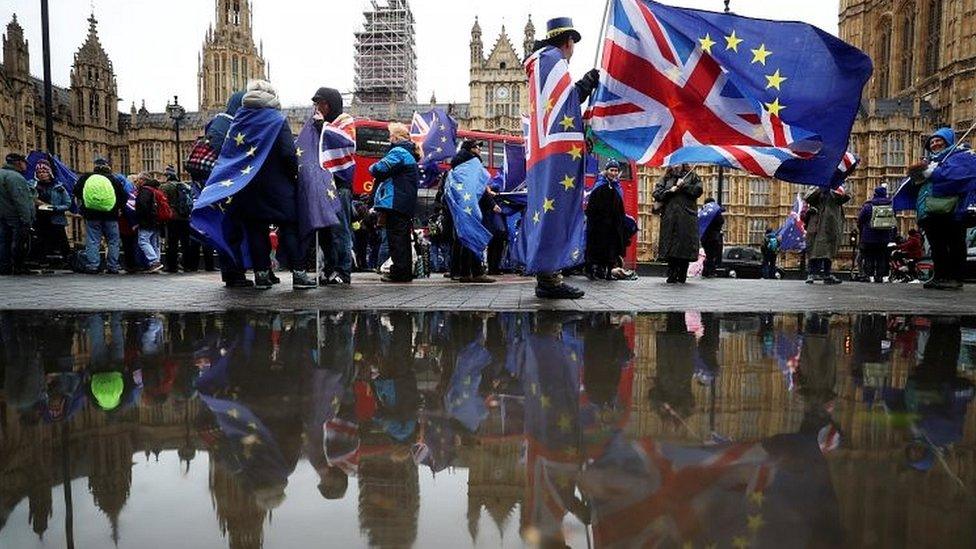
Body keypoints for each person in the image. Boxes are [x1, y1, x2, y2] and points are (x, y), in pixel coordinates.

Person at [529, 17, 600, 299]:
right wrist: (584, 85)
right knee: (556, 210)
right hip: (557, 155)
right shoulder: (553, 60)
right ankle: (548, 280)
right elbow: (564, 107)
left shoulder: (543, 61)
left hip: (549, 153)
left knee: (552, 209)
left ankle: (549, 276)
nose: (573, 50)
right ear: (568, 42)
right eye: (573, 44)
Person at [231, 80, 317, 290]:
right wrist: (293, 176)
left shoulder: (238, 121)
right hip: (279, 186)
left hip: (248, 185)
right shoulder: (276, 120)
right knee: (289, 228)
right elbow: (288, 153)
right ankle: (299, 275)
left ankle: (261, 276)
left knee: (256, 230)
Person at [909, 128, 969, 290]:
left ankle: (954, 277)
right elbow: (917, 183)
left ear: (948, 141)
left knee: (954, 242)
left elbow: (958, 175)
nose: (935, 144)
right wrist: (918, 174)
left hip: (949, 208)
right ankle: (940, 276)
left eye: (939, 140)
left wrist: (934, 173)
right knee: (936, 244)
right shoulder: (929, 160)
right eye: (932, 141)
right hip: (928, 208)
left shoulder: (958, 156)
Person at [309, 87, 356, 286]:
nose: (319, 107)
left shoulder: (345, 121)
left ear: (331, 104)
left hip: (340, 185)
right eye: (317, 103)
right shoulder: (320, 124)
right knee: (326, 232)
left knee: (340, 231)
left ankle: (343, 272)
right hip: (323, 185)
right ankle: (328, 270)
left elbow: (346, 142)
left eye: (322, 103)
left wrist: (323, 128)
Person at [203, 90, 249, 287]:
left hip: (217, 185)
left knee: (227, 229)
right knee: (233, 230)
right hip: (230, 184)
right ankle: (234, 274)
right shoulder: (231, 125)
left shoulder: (216, 122)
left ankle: (231, 273)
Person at [369, 122, 420, 283]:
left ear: (396, 137)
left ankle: (399, 272)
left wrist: (372, 166)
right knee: (402, 238)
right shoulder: (408, 152)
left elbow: (378, 169)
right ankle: (403, 271)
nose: (389, 139)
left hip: (396, 201)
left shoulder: (399, 151)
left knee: (396, 239)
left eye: (390, 136)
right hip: (403, 201)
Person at [445, 139, 497, 283]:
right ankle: (475, 272)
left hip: (458, 206)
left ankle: (462, 272)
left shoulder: (457, 164)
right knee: (472, 234)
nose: (480, 149)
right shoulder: (473, 164)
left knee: (461, 237)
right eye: (477, 147)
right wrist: (491, 203)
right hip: (470, 205)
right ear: (470, 149)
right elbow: (477, 187)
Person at [73, 157, 128, 274]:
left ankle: (93, 265)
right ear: (107, 167)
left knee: (93, 240)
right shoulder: (113, 179)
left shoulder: (86, 177)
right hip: (111, 215)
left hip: (91, 214)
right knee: (113, 241)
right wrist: (117, 207)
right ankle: (112, 266)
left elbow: (76, 191)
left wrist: (86, 202)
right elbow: (124, 196)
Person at [653, 163, 703, 283]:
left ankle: (682, 274)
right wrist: (670, 191)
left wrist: (683, 185)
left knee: (684, 247)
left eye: (678, 163)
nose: (676, 166)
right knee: (670, 246)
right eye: (674, 163)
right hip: (670, 217)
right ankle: (671, 273)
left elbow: (698, 191)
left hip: (687, 218)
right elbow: (656, 193)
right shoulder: (665, 178)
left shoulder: (693, 177)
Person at [585, 159, 632, 280]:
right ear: (606, 171)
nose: (614, 173)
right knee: (597, 247)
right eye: (612, 170)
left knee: (611, 249)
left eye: (616, 170)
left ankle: (607, 272)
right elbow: (592, 206)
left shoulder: (617, 187)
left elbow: (620, 206)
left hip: (613, 225)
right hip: (599, 225)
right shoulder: (599, 185)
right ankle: (592, 270)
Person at [803, 185, 850, 284]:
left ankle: (826, 274)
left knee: (828, 251)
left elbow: (846, 196)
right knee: (814, 250)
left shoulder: (837, 188)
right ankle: (812, 273)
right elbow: (808, 197)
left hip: (831, 224)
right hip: (817, 224)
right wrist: (821, 188)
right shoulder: (816, 187)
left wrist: (831, 189)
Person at [30, 159, 72, 269]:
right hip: (39, 218)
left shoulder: (59, 187)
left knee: (62, 240)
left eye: (44, 172)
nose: (41, 174)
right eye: (39, 172)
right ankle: (42, 261)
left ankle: (67, 261)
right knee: (40, 240)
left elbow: (67, 204)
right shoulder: (32, 186)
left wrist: (54, 208)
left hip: (55, 218)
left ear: (49, 173)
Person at [0, 153, 36, 275]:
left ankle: (5, 267)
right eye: (25, 163)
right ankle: (18, 267)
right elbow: (21, 201)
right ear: (19, 163)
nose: (26, 166)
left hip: (2, 216)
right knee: (19, 243)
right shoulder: (15, 177)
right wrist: (27, 220)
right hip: (15, 217)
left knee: (3, 242)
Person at [160, 167, 201, 273]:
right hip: (185, 218)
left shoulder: (165, 187)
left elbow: (162, 202)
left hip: (173, 218)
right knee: (185, 243)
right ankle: (188, 266)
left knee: (172, 243)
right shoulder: (185, 186)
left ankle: (172, 266)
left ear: (168, 176)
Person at [857, 186, 896, 283]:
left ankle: (870, 276)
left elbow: (860, 220)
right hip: (884, 237)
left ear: (875, 194)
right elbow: (893, 221)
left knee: (869, 257)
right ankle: (880, 276)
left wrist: (863, 230)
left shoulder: (868, 206)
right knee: (881, 257)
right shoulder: (890, 205)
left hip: (869, 237)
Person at [134, 172, 165, 273]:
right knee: (153, 243)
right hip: (156, 221)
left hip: (147, 221)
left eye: (138, 180)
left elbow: (142, 207)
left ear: (143, 180)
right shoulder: (155, 190)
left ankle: (154, 261)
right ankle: (156, 263)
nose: (136, 182)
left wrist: (139, 220)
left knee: (143, 241)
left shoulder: (144, 191)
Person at [700, 197, 725, 278]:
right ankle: (710, 272)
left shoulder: (702, 212)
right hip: (713, 237)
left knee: (708, 254)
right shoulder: (714, 213)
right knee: (711, 255)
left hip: (704, 238)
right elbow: (721, 221)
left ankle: (706, 271)